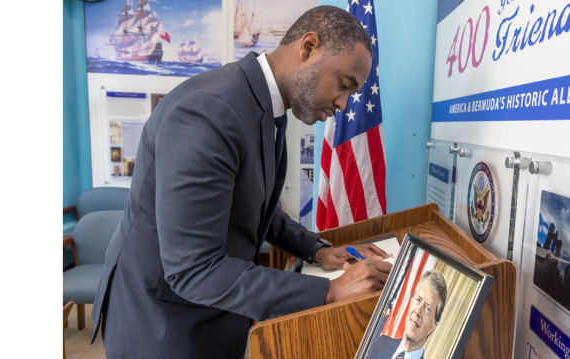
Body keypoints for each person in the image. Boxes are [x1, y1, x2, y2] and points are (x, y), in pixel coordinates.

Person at [90, 6, 392, 358]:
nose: (343, 103)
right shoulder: (209, 110)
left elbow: (256, 204)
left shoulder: (264, 105)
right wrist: (329, 292)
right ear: (308, 47)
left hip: (211, 313)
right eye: (344, 84)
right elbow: (194, 269)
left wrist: (317, 249)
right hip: (163, 326)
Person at [369, 270, 448, 359]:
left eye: (427, 308)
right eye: (418, 300)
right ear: (411, 302)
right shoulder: (381, 343)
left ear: (432, 326)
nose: (418, 311)